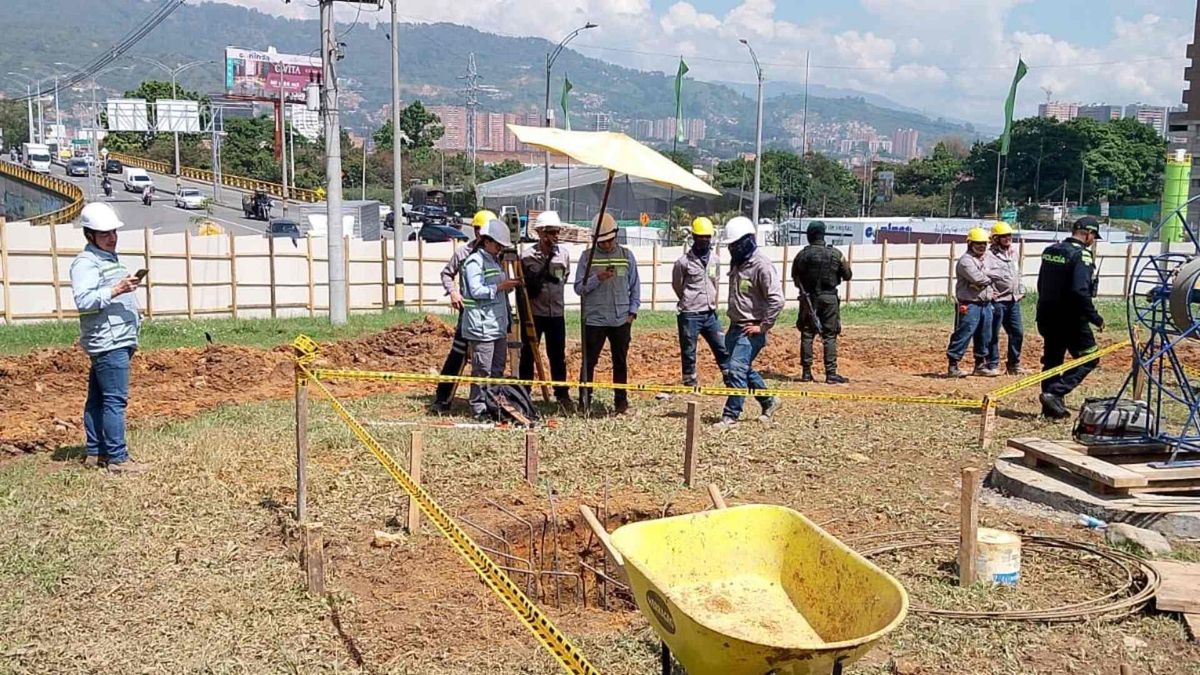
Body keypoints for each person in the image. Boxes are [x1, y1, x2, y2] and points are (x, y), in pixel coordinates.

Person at [69, 203, 146, 473]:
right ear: (89, 236)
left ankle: (96, 452)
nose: (112, 238)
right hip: (108, 340)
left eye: (113, 232)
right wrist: (117, 289)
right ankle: (117, 458)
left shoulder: (107, 258)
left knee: (99, 398)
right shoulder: (86, 263)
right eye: (105, 234)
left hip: (117, 337)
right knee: (115, 400)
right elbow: (84, 300)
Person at [715, 217, 784, 428]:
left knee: (736, 370)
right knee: (740, 369)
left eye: (735, 245)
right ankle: (769, 401)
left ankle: (730, 416)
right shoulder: (738, 262)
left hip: (751, 330)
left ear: (748, 241)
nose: (732, 249)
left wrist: (762, 327)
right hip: (735, 327)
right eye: (730, 245)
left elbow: (777, 299)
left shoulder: (761, 265)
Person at [1036, 216, 1105, 419]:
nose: (1093, 240)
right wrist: (1094, 317)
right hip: (1070, 319)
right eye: (1094, 236)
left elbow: (1041, 284)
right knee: (1090, 357)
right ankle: (1054, 393)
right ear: (1089, 234)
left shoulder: (1051, 250)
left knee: (1052, 361)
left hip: (1046, 314)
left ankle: (1050, 411)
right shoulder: (1082, 255)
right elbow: (1079, 291)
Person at [574, 213, 640, 414]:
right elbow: (579, 288)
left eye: (609, 240)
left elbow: (635, 286)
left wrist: (632, 313)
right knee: (589, 362)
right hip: (595, 319)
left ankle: (621, 403)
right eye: (602, 242)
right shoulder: (587, 258)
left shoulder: (626, 255)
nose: (606, 245)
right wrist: (596, 278)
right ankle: (584, 402)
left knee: (620, 362)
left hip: (620, 319)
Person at [431, 209, 495, 412]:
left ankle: (490, 400)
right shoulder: (463, 252)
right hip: (468, 314)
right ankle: (443, 398)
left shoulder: (499, 253)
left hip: (492, 315)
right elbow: (447, 274)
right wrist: (453, 293)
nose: (481, 235)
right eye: (478, 230)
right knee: (458, 355)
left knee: (491, 360)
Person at [461, 220, 522, 420]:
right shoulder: (474, 262)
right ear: (486, 241)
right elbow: (476, 290)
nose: (499, 249)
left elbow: (497, 289)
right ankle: (479, 408)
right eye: (497, 245)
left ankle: (494, 403)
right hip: (481, 326)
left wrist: (507, 286)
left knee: (497, 369)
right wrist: (500, 287)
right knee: (482, 369)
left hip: (496, 325)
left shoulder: (495, 261)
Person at [519, 211, 574, 411]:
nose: (555, 236)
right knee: (528, 355)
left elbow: (564, 278)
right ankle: (524, 394)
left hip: (556, 314)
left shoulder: (564, 254)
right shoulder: (526, 257)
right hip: (534, 314)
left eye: (557, 232)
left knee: (557, 355)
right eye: (551, 232)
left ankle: (561, 394)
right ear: (541, 233)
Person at [670, 216, 729, 392]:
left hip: (710, 312)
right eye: (701, 236)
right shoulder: (683, 262)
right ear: (694, 237)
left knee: (722, 346)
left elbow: (715, 281)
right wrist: (688, 299)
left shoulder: (715, 260)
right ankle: (690, 382)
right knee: (689, 349)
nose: (704, 240)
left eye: (707, 237)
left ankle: (729, 377)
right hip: (690, 313)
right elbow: (677, 285)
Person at [791, 221, 852, 384]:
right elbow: (847, 275)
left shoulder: (802, 255)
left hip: (809, 298)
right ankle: (831, 373)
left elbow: (795, 278)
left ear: (809, 236)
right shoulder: (836, 254)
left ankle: (806, 372)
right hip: (829, 298)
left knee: (807, 333)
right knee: (830, 335)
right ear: (823, 235)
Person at [946, 227, 996, 378]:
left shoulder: (986, 258)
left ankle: (980, 365)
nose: (981, 246)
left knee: (984, 335)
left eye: (984, 244)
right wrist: (989, 278)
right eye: (978, 243)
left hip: (985, 303)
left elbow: (994, 274)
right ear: (970, 243)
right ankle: (953, 365)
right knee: (963, 333)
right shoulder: (965, 261)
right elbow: (979, 279)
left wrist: (986, 278)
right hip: (969, 304)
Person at [984, 221, 1026, 375]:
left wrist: (1020, 289)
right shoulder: (988, 256)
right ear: (995, 239)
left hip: (1013, 301)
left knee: (1017, 333)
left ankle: (1013, 365)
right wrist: (989, 293)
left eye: (1009, 235)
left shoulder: (1013, 253)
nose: (1008, 238)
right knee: (993, 334)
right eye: (1004, 236)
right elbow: (983, 276)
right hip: (998, 301)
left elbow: (1017, 273)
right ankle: (992, 364)